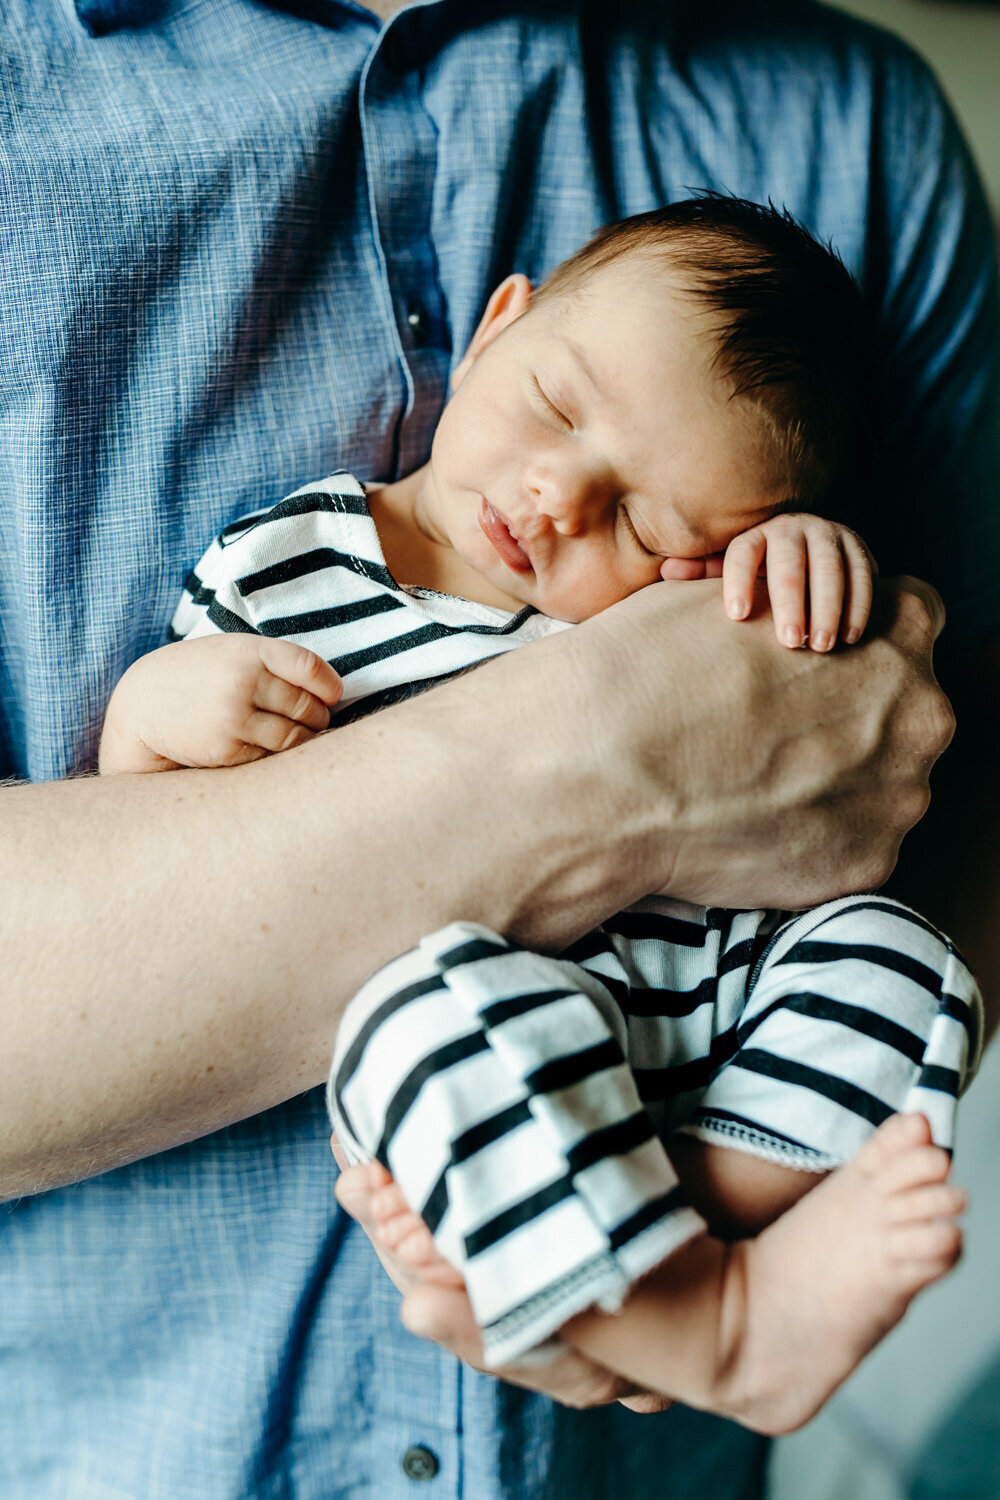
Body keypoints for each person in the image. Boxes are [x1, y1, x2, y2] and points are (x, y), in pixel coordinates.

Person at [0, 3, 996, 1497]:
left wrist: (793, 575)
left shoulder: (856, 123)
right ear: (499, 326)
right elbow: (153, 777)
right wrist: (162, 711)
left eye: (649, 526)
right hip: (190, 1403)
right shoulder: (303, 572)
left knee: (912, 972)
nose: (555, 504)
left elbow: (927, 760)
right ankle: (683, 1310)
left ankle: (677, 1237)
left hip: (683, 1078)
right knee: (431, 1014)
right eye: (546, 413)